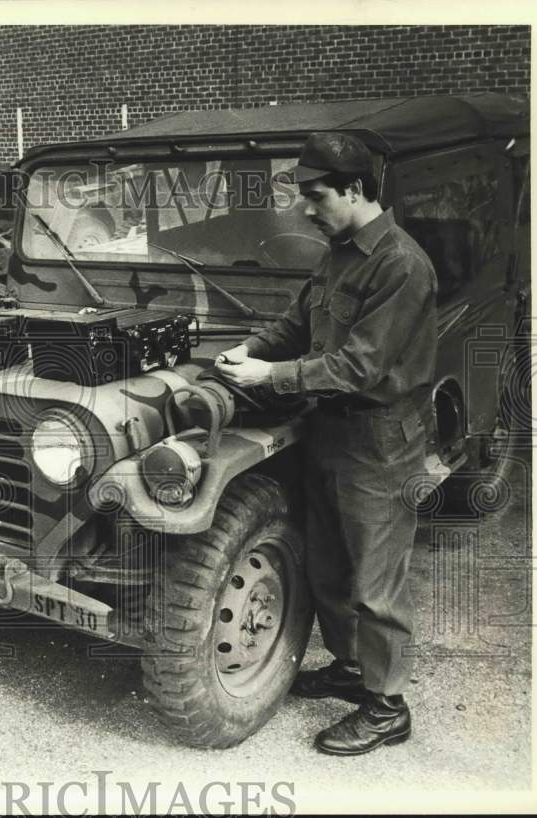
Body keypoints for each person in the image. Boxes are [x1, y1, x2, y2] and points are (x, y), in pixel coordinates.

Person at [213, 131, 437, 756]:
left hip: (381, 442)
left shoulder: (401, 264)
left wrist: (270, 376)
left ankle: (388, 705)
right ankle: (348, 667)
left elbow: (360, 366)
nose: (306, 210)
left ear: (356, 190)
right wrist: (251, 349)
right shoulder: (341, 250)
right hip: (331, 431)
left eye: (316, 196)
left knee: (375, 579)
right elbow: (300, 320)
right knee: (330, 566)